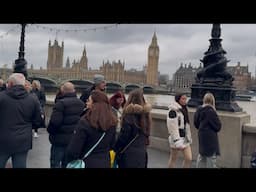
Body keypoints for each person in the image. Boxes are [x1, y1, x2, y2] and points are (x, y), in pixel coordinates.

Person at [66, 90, 117, 168]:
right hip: (104, 163)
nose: (86, 102)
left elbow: (74, 150)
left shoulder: (85, 122)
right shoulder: (112, 123)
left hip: (87, 163)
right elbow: (112, 144)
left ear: (94, 104)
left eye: (89, 100)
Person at [0, 73, 42, 168]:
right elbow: (38, 121)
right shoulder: (33, 99)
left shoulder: (1, 97)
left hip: (2, 139)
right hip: (22, 141)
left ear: (10, 84)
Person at [47, 82, 84, 168]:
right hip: (73, 141)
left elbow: (54, 122)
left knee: (55, 163)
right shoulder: (81, 103)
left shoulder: (60, 104)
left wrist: (51, 132)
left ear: (62, 91)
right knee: (68, 165)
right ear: (74, 90)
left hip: (59, 141)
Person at [114, 88, 152, 168]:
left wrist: (115, 148)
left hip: (128, 154)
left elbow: (123, 137)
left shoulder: (129, 116)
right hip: (142, 153)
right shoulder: (146, 116)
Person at [194, 92, 221, 168]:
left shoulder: (199, 110)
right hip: (210, 137)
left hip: (201, 135)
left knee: (201, 155)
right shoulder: (211, 111)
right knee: (211, 157)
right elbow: (218, 126)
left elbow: (196, 123)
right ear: (213, 101)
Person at [166, 93, 192, 168]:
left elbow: (186, 125)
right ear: (178, 99)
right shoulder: (173, 111)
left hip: (185, 138)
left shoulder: (184, 109)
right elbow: (172, 127)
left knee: (189, 158)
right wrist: (177, 140)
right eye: (183, 99)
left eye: (185, 99)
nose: (185, 101)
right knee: (173, 158)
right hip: (176, 138)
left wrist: (188, 136)